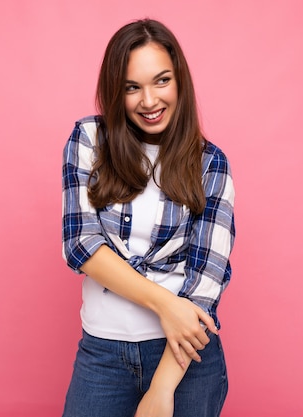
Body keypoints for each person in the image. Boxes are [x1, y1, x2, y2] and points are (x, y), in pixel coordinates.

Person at [61, 18, 235, 417]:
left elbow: (205, 285)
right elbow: (80, 245)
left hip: (185, 358)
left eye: (161, 81)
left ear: (180, 82)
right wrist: (164, 305)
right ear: (115, 91)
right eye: (131, 87)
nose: (149, 100)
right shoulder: (88, 140)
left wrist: (161, 389)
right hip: (102, 354)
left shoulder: (211, 164)